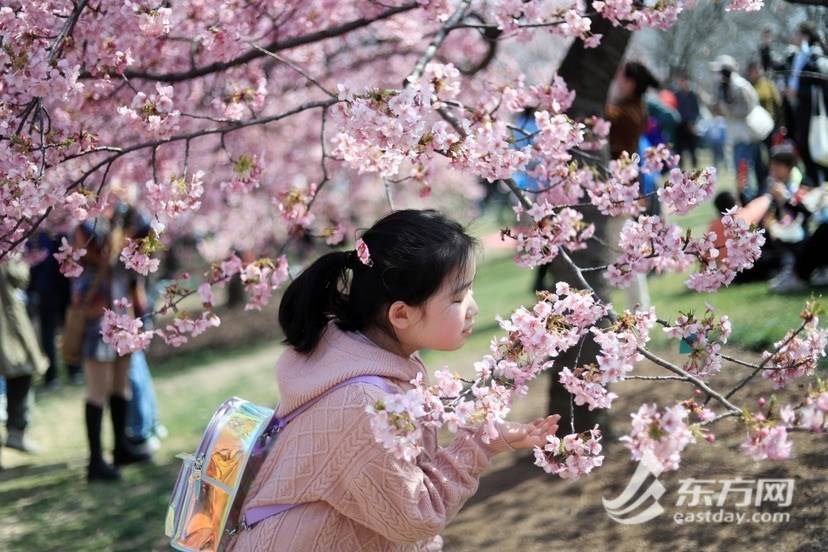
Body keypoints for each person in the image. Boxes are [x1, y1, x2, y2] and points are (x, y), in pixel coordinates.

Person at [226, 210, 561, 551]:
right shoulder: (365, 403)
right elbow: (416, 516)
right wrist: (480, 444)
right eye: (458, 299)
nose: (472, 308)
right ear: (401, 314)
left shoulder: (355, 359)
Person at [72, 203, 152, 482]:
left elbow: (144, 243)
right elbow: (104, 252)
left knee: (122, 384)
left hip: (124, 312)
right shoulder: (85, 221)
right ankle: (95, 461)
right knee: (98, 389)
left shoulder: (127, 216)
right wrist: (117, 226)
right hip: (97, 315)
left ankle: (120, 447)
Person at [0, 260, 48, 456]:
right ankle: (16, 431)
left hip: (9, 319)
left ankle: (16, 432)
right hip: (8, 319)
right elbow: (19, 275)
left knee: (21, 372)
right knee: (21, 370)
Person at [710, 55, 765, 200]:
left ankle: (750, 198)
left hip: (747, 136)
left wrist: (727, 110)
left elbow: (748, 108)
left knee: (746, 171)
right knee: (741, 172)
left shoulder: (741, 86)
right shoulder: (724, 87)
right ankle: (746, 198)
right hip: (736, 136)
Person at [784, 23, 828, 186]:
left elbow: (821, 87)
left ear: (805, 36)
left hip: (813, 117)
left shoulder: (816, 57)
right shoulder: (797, 56)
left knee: (818, 157)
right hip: (800, 116)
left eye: (797, 33)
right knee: (808, 158)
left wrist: (798, 92)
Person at [606, 61, 660, 160]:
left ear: (631, 83)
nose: (617, 82)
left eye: (620, 78)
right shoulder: (640, 110)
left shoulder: (625, 113)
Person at [673, 71, 701, 169]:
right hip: (679, 126)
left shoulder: (693, 95)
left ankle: (695, 170)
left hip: (691, 125)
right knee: (679, 150)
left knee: (693, 150)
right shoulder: (676, 95)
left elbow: (697, 110)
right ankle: (680, 171)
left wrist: (692, 122)